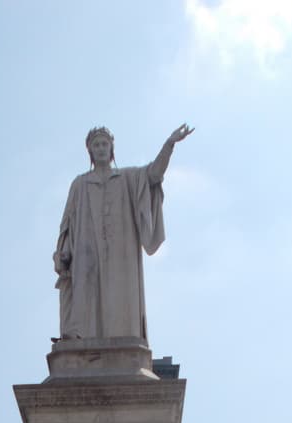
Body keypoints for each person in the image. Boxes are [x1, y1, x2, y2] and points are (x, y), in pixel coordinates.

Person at [54, 123, 194, 341]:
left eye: (104, 144)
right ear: (90, 151)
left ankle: (122, 346)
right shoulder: (80, 184)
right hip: (86, 253)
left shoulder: (128, 178)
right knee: (86, 304)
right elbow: (67, 224)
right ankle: (84, 347)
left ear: (111, 150)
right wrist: (63, 253)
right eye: (96, 145)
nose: (100, 148)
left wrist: (169, 145)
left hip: (121, 255)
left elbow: (154, 173)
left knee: (121, 302)